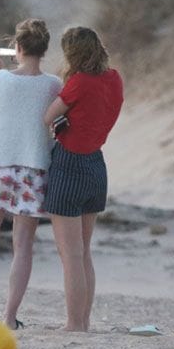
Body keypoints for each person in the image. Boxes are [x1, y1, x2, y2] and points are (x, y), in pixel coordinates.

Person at [0, 19, 62, 328]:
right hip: (33, 168)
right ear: (44, 49)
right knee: (23, 246)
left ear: (17, 48)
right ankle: (8, 317)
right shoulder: (53, 85)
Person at [43, 26, 123, 332]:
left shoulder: (78, 83)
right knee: (84, 252)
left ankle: (74, 323)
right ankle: (84, 320)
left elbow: (48, 116)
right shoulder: (113, 78)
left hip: (68, 165)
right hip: (96, 164)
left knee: (71, 256)